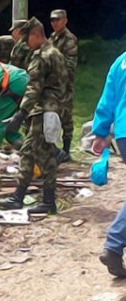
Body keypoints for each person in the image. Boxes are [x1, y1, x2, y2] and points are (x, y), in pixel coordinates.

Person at [0, 17, 65, 214]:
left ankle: (49, 201)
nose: (26, 43)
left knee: (45, 155)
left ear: (36, 35)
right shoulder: (55, 52)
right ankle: (17, 196)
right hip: (51, 108)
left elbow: (33, 89)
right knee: (27, 152)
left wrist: (20, 114)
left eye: (27, 39)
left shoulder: (41, 56)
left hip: (43, 110)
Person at [91, 50, 126, 278]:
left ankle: (114, 244)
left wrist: (101, 132)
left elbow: (108, 98)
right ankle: (114, 243)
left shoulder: (121, 61)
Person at [49, 9, 79, 163]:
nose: (55, 23)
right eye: (52, 20)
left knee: (65, 117)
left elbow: (69, 65)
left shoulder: (69, 39)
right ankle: (53, 149)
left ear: (65, 21)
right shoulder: (52, 38)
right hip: (52, 86)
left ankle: (66, 151)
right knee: (51, 116)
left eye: (58, 20)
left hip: (64, 85)